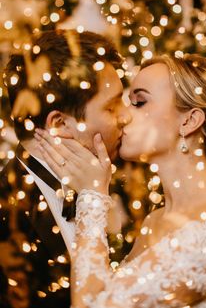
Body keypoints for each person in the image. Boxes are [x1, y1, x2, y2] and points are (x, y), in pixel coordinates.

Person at [36, 53, 206, 307]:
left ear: (189, 120)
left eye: (139, 102)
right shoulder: (154, 221)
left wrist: (93, 195)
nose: (123, 116)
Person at [0, 29, 130, 308]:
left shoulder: (107, 183)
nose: (126, 116)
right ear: (59, 124)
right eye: (111, 107)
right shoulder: (6, 216)